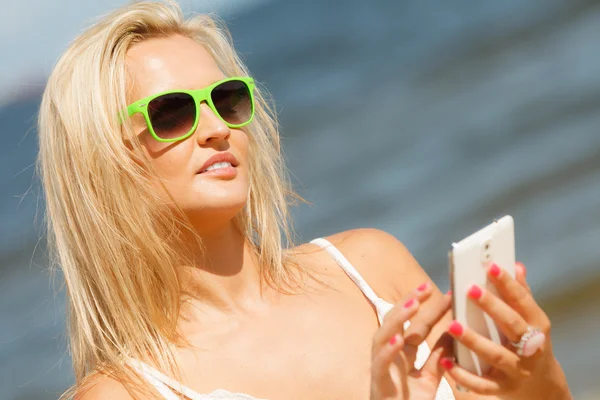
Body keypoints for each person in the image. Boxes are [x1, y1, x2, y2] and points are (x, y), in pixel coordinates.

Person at [37, 1, 572, 399]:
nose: (216, 128)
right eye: (173, 113)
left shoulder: (370, 267)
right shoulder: (126, 393)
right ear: (103, 161)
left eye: (226, 100)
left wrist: (538, 378)